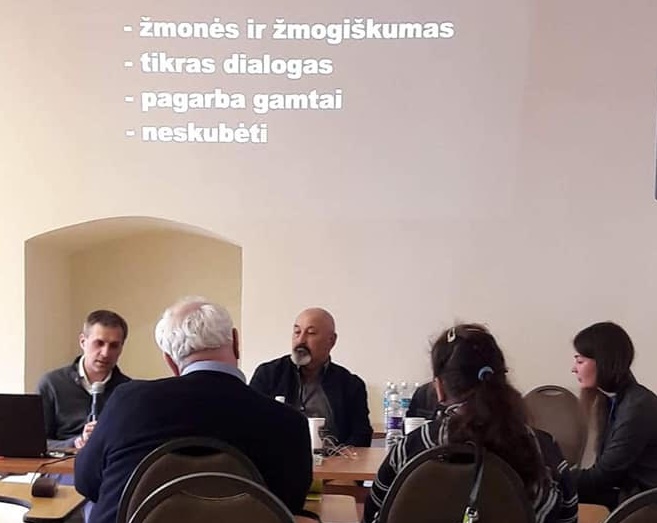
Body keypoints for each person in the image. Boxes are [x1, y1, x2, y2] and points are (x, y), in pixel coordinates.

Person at [75, 297, 312, 523]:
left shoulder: (126, 402)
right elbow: (290, 505)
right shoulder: (289, 423)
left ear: (170, 361)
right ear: (236, 342)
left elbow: (86, 482)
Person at [364, 323, 577, 523]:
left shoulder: (412, 448)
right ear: (501, 380)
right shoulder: (543, 450)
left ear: (439, 388)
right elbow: (568, 516)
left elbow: (374, 515)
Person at [250, 307, 372, 447]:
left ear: (331, 340)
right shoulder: (268, 375)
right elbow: (248, 423)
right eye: (297, 332)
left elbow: (361, 435)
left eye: (311, 333)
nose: (300, 340)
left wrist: (340, 455)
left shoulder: (350, 385)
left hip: (332, 458)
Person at [572, 321, 657, 509]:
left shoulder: (638, 407)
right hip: (625, 492)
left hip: (643, 503)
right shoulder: (610, 399)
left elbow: (603, 476)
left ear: (604, 361)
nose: (573, 368)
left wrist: (553, 478)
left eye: (580, 361)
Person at [37, 310, 131, 449]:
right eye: (99, 343)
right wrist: (75, 443)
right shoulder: (52, 384)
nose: (105, 353)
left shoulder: (128, 391)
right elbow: (36, 442)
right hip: (64, 459)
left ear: (121, 348)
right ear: (83, 342)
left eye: (114, 346)